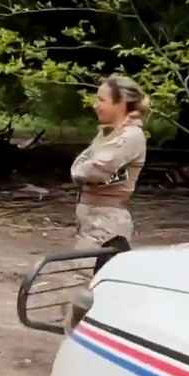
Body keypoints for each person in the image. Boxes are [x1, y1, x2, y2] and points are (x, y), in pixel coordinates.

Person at [69, 76, 148, 273]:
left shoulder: (130, 136)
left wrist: (80, 170)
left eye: (102, 100)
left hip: (105, 224)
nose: (96, 105)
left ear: (120, 103)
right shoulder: (109, 134)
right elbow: (82, 164)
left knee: (83, 285)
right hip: (94, 221)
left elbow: (91, 169)